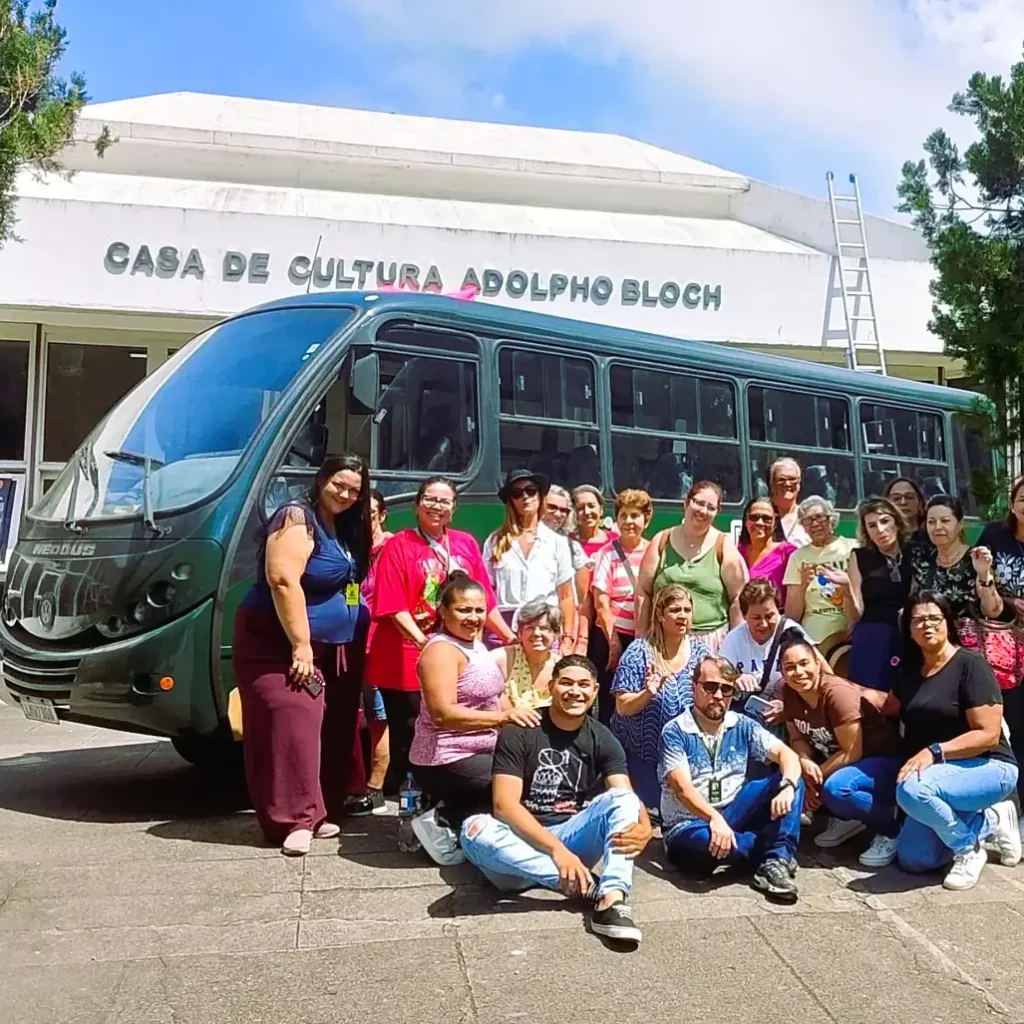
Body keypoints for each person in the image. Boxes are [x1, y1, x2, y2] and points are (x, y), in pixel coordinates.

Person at [233, 453, 372, 855]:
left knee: (335, 726)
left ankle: (318, 811)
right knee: (293, 719)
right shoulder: (296, 517)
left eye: (354, 490)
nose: (345, 494)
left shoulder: (344, 525)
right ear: (320, 479)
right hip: (280, 643)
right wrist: (301, 643)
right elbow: (281, 580)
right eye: (338, 485)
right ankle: (291, 821)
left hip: (337, 647)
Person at [461, 655, 651, 946]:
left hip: (570, 840)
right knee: (474, 829)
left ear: (595, 690)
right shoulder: (522, 730)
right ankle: (588, 887)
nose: (575, 691)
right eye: (566, 682)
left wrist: (646, 827)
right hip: (517, 849)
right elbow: (504, 805)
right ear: (551, 686)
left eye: (583, 685)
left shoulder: (603, 738)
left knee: (622, 800)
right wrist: (556, 852)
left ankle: (611, 901)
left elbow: (625, 796)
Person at [366, 477, 515, 789]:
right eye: (430, 499)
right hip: (406, 655)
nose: (437, 506)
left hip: (457, 654)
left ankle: (448, 792)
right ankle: (411, 802)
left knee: (459, 724)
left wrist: (510, 638)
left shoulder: (465, 543)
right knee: (410, 732)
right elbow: (393, 606)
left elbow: (483, 600)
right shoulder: (399, 544)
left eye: (444, 501)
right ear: (416, 505)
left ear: (454, 508)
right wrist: (429, 644)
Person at [886, 592, 1020, 888]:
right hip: (941, 776)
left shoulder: (971, 665)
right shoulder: (909, 671)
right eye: (917, 620)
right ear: (908, 628)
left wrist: (933, 752)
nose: (926, 626)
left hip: (988, 765)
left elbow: (988, 734)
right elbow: (887, 706)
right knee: (915, 859)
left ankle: (967, 848)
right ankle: (991, 821)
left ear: (947, 623)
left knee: (911, 789)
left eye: (934, 618)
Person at [409, 573, 541, 865]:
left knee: (541, 764)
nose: (473, 617)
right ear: (443, 611)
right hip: (445, 756)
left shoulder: (476, 645)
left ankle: (467, 815)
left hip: (485, 747)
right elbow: (443, 714)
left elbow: (496, 696)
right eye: (464, 610)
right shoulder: (441, 651)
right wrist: (502, 718)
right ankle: (441, 819)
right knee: (515, 782)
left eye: (479, 610)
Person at [660, 655, 805, 902]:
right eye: (710, 686)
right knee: (709, 846)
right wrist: (714, 819)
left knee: (790, 776)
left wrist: (788, 787)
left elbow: (787, 754)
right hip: (688, 823)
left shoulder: (742, 724)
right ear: (694, 687)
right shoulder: (675, 731)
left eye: (726, 689)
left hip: (736, 811)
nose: (718, 695)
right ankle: (773, 852)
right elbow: (682, 788)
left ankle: (774, 861)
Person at [776, 631, 902, 858]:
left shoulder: (836, 694)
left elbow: (852, 752)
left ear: (817, 662)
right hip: (840, 760)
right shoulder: (789, 692)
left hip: (881, 760)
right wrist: (804, 761)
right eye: (790, 667)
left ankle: (892, 830)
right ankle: (849, 818)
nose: (798, 672)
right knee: (786, 776)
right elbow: (797, 738)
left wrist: (813, 781)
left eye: (804, 663)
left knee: (836, 790)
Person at [610, 584, 708, 808]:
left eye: (686, 610)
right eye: (675, 610)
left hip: (685, 756)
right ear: (660, 616)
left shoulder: (702, 653)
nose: (682, 616)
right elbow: (622, 707)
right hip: (642, 757)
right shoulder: (638, 652)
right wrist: (648, 694)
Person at [636, 480, 746, 650]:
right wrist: (640, 641)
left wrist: (736, 648)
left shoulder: (724, 547)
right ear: (686, 502)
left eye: (711, 507)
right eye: (699, 503)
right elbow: (643, 591)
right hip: (663, 641)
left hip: (711, 642)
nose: (703, 511)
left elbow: (738, 598)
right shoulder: (661, 541)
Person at [483, 470, 577, 650]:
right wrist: (506, 635)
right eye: (517, 493)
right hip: (504, 628)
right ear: (511, 501)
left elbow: (566, 595)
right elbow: (486, 594)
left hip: (545, 626)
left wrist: (567, 639)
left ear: (540, 497)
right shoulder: (494, 541)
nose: (525, 497)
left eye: (531, 491)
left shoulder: (557, 542)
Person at [591, 488, 653, 725]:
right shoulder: (606, 553)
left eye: (635, 515)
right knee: (609, 700)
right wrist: (614, 641)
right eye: (623, 515)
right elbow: (601, 602)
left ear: (646, 520)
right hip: (610, 638)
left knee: (640, 696)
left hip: (643, 639)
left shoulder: (653, 551)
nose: (629, 521)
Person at [838, 498, 911, 692]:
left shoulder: (914, 552)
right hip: (873, 633)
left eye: (885, 521)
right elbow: (856, 614)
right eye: (872, 525)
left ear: (896, 521)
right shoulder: (860, 556)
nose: (880, 530)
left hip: (908, 630)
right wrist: (846, 589)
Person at [783, 496, 858, 666]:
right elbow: (792, 615)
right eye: (808, 521)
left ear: (831, 519)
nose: (815, 524)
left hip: (849, 631)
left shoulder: (853, 548)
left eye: (819, 517)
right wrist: (802, 586)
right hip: (813, 636)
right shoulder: (798, 557)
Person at [909, 495, 1004, 624]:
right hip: (933, 638)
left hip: (970, 639)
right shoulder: (922, 562)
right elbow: (914, 606)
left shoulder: (977, 558)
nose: (937, 527)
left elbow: (992, 611)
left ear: (959, 524)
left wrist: (983, 573)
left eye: (945, 521)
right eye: (931, 522)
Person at [720, 579, 813, 703]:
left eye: (769, 616)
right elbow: (718, 679)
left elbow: (819, 674)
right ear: (744, 616)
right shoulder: (734, 639)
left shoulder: (792, 632)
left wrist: (788, 710)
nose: (763, 624)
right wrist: (735, 680)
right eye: (756, 618)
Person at [360, 487, 393, 808]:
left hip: (384, 646)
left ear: (381, 515)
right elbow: (353, 594)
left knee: (379, 718)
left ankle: (376, 788)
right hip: (356, 642)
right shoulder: (355, 552)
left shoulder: (392, 548)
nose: (363, 521)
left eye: (369, 514)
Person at [542, 483, 590, 653]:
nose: (558, 514)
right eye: (552, 508)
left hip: (565, 626)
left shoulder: (572, 547)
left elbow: (583, 600)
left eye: (564, 511)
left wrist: (580, 639)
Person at [502, 597, 560, 710]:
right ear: (520, 633)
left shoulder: (561, 666)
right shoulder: (503, 659)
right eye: (530, 628)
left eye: (544, 628)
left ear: (555, 634)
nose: (537, 633)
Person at [737, 497, 797, 598]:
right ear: (746, 521)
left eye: (766, 518)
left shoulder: (788, 554)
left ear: (775, 522)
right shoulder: (737, 552)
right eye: (754, 517)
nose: (759, 522)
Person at [884, 477, 931, 559]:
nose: (903, 502)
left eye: (909, 497)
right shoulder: (881, 539)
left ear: (920, 503)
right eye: (896, 498)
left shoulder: (933, 538)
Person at [770, 457, 811, 547]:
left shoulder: (809, 518)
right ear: (772, 485)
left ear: (799, 485)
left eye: (792, 479)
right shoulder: (762, 517)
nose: (787, 483)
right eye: (781, 479)